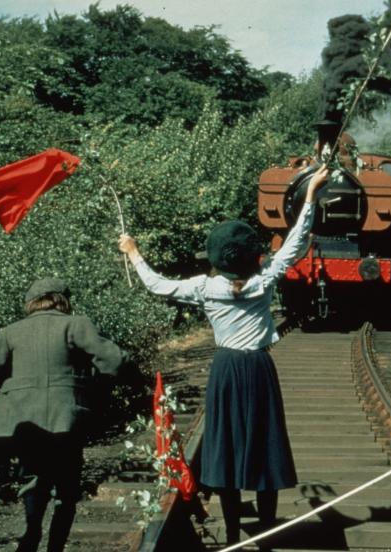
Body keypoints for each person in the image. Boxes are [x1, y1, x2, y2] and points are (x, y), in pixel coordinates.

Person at [117, 165, 329, 546]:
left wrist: (134, 252)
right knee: (266, 445)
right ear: (252, 257)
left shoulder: (204, 287)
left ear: (216, 256)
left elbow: (157, 285)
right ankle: (267, 530)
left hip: (226, 369)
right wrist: (310, 192)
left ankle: (233, 533)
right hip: (260, 368)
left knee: (227, 449)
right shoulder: (264, 282)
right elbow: (296, 243)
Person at [0, 277, 124, 552]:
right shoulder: (75, 324)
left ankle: (31, 534)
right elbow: (114, 361)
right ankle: (55, 547)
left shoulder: (10, 332)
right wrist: (92, 389)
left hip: (23, 422)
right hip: (66, 419)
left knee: (32, 481)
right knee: (67, 489)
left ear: (31, 303)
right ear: (63, 300)